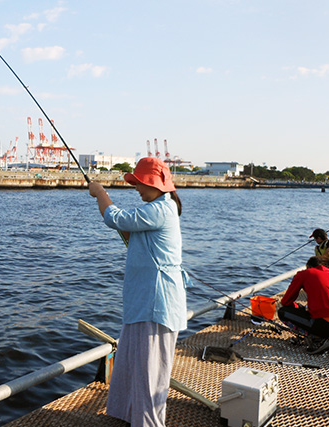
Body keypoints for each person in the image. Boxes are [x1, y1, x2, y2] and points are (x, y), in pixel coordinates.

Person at [88, 157, 187, 427]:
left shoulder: (161, 209)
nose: (136, 189)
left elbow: (115, 217)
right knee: (132, 363)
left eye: (139, 183)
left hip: (155, 303)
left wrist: (100, 193)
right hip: (142, 302)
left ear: (155, 183)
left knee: (149, 371)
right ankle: (126, 413)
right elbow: (133, 234)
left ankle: (148, 423)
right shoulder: (157, 209)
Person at [278, 256, 329, 355]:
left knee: (283, 312)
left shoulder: (304, 274)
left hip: (325, 325)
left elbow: (285, 302)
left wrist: (295, 306)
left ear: (309, 267)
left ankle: (318, 339)